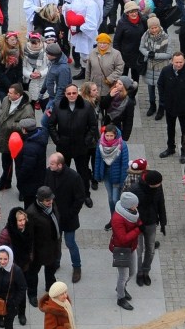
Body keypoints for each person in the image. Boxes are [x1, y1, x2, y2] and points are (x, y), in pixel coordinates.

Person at [47, 83, 98, 205]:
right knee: (62, 172)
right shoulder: (58, 105)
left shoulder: (86, 106)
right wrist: (57, 140)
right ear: (65, 94)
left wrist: (86, 141)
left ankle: (86, 194)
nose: (71, 95)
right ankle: (63, 195)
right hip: (64, 146)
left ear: (78, 93)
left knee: (83, 173)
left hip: (81, 146)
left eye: (74, 93)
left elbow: (93, 125)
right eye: (69, 93)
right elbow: (51, 124)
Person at [45, 152, 86, 283]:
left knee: (70, 243)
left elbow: (80, 198)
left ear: (60, 165)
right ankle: (56, 262)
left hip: (68, 218)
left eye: (52, 163)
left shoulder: (73, 177)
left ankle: (77, 267)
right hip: (54, 216)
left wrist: (71, 213)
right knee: (56, 242)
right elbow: (45, 188)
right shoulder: (49, 172)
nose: (49, 165)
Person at [157, 52, 185, 159]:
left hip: (183, 108)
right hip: (169, 106)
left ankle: (184, 151)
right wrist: (163, 100)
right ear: (172, 61)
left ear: (184, 61)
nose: (179, 64)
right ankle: (170, 148)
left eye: (181, 62)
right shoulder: (166, 71)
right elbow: (160, 84)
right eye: (176, 62)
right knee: (170, 128)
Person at [25, 186, 61, 307]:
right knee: (33, 273)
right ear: (40, 200)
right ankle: (32, 294)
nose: (50, 202)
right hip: (39, 250)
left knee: (51, 270)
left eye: (51, 199)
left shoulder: (52, 206)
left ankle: (50, 287)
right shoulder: (31, 213)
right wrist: (31, 253)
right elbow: (29, 236)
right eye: (47, 200)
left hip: (52, 246)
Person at [0, 84, 34, 191]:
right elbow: (1, 111)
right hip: (5, 138)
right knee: (6, 164)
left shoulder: (27, 108)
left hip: (18, 141)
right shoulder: (6, 100)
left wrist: (10, 125)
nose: (8, 94)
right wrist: (0, 118)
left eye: (10, 93)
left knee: (19, 166)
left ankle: (22, 188)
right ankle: (5, 183)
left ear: (17, 95)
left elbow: (30, 124)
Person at [109, 191, 141, 310]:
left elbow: (137, 222)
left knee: (132, 272)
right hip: (121, 249)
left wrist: (140, 225)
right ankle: (120, 298)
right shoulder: (118, 219)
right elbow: (122, 239)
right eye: (134, 204)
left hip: (131, 247)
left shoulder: (132, 212)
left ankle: (121, 287)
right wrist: (138, 230)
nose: (136, 207)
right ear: (128, 205)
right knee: (123, 276)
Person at [94, 124, 129, 228]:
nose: (108, 138)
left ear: (115, 135)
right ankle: (113, 219)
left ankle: (118, 220)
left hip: (117, 176)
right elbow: (98, 159)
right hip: (106, 175)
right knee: (110, 199)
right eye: (107, 135)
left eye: (111, 136)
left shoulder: (122, 145)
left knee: (115, 199)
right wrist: (97, 175)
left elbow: (124, 164)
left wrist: (123, 180)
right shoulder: (100, 144)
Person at [15, 117, 49, 208]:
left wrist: (20, 179)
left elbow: (27, 168)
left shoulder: (30, 148)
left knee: (30, 206)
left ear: (24, 130)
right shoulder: (40, 136)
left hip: (31, 183)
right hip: (39, 177)